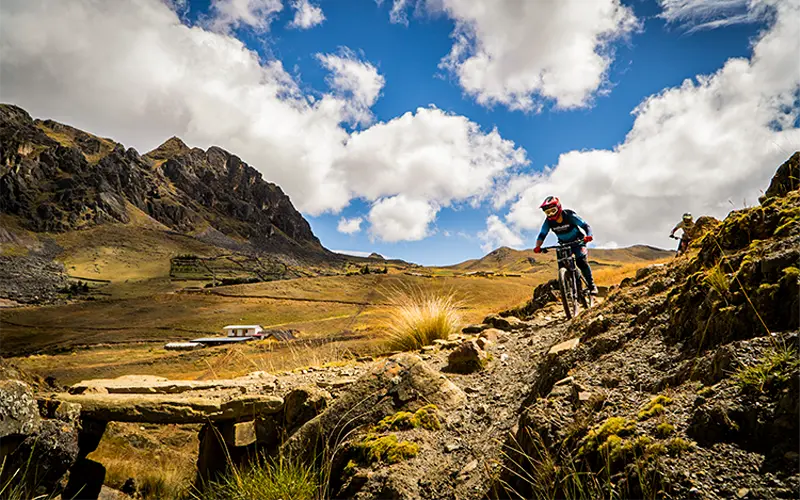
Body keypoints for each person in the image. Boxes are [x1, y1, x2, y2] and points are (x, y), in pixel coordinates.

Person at [533, 196, 598, 294]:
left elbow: (585, 225)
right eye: (547, 212)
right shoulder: (548, 222)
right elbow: (542, 234)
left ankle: (592, 286)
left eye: (553, 211)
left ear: (558, 208)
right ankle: (571, 289)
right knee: (562, 265)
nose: (550, 214)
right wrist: (538, 246)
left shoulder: (569, 215)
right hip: (563, 244)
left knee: (581, 262)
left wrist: (589, 235)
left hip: (578, 241)